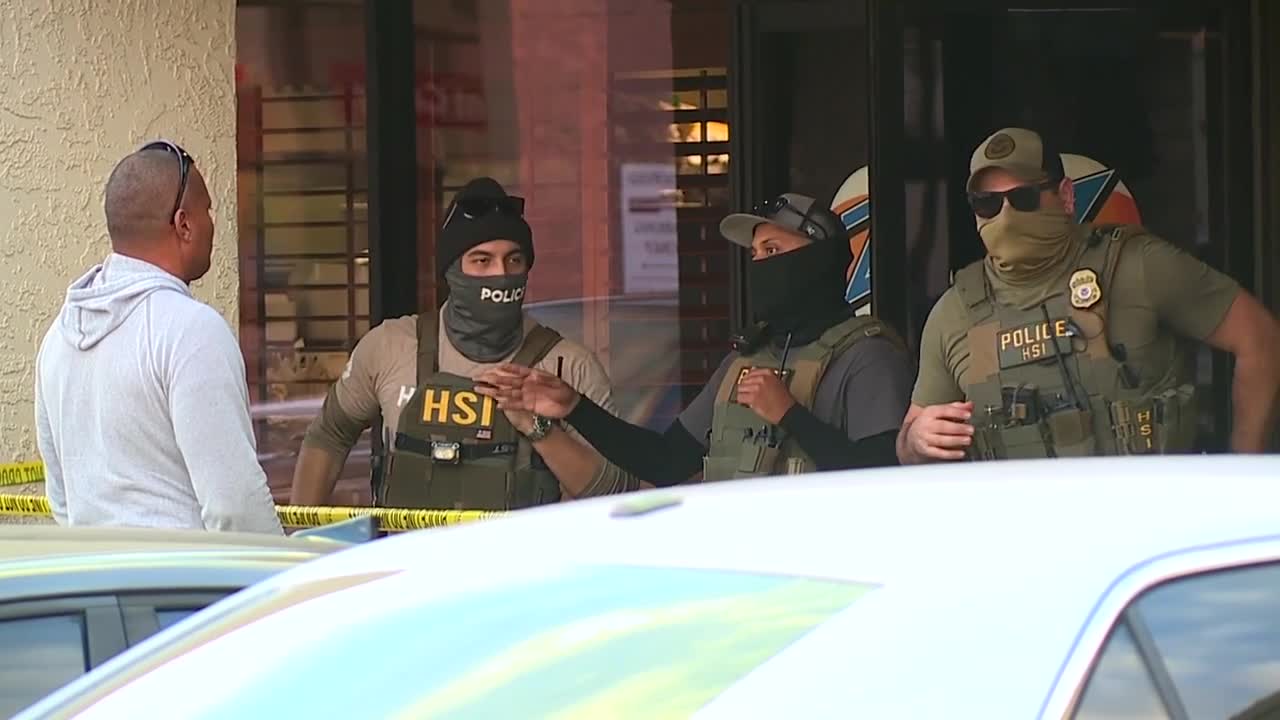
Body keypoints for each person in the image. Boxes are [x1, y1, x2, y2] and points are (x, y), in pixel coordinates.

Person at [475, 193, 914, 486]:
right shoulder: (748, 359)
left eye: (774, 251)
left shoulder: (867, 356)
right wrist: (574, 407)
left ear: (819, 259)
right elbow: (666, 461)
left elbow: (885, 481)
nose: (760, 265)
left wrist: (790, 415)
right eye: (755, 254)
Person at [899, 127, 1280, 463]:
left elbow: (1260, 340)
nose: (1006, 215)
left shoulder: (1137, 267)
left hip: (1146, 514)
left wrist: (1241, 469)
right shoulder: (956, 312)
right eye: (988, 203)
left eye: (1024, 198)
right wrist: (917, 441)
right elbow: (910, 439)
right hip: (1020, 519)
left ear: (1065, 196)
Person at [291, 177, 642, 509]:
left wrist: (539, 429)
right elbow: (329, 435)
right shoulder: (390, 347)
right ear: (452, 270)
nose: (500, 274)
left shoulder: (567, 366)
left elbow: (617, 492)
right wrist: (296, 539)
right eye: (482, 261)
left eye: (514, 260)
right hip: (410, 554)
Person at [34, 140, 282, 534]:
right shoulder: (191, 331)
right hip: (184, 573)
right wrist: (283, 568)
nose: (213, 224)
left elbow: (62, 501)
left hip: (97, 570)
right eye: (207, 211)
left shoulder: (57, 341)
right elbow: (234, 505)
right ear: (183, 224)